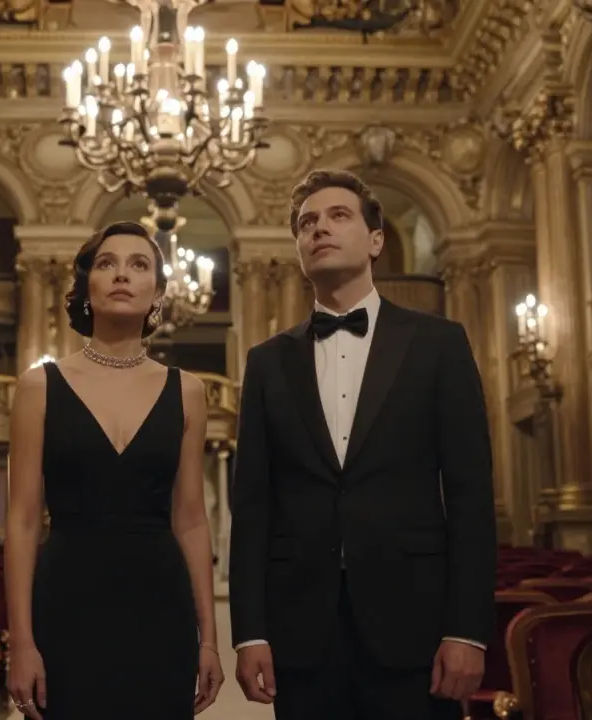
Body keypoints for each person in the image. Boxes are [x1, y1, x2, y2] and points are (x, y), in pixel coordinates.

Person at [229, 170, 497, 720]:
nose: (319, 229)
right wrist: (249, 633)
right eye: (307, 223)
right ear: (299, 250)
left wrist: (468, 631)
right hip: (301, 631)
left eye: (337, 216)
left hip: (415, 628)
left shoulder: (439, 344)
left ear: (376, 240)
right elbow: (252, 505)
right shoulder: (266, 362)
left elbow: (470, 495)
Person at [4, 221, 225, 719]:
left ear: (158, 295)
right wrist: (21, 642)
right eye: (107, 264)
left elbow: (190, 519)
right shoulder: (39, 386)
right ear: (87, 288)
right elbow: (20, 520)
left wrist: (208, 639)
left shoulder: (188, 391)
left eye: (139, 264)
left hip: (160, 604)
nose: (122, 274)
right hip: (67, 599)